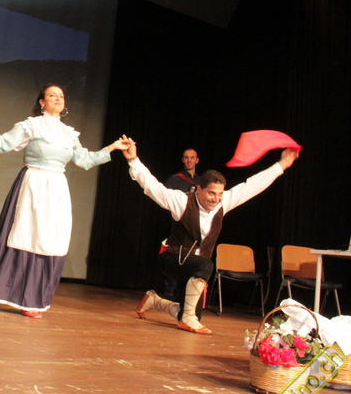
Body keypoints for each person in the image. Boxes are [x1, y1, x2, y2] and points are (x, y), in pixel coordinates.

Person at [0, 84, 130, 319]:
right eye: (52, 95)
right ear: (42, 102)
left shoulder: (69, 133)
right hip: (34, 183)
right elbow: (4, 144)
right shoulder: (31, 125)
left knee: (51, 240)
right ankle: (14, 294)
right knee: (27, 236)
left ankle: (34, 299)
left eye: (61, 96)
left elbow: (84, 160)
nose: (58, 98)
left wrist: (112, 147)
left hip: (57, 188)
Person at [123, 138, 299, 334]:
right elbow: (152, 187)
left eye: (219, 194)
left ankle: (157, 302)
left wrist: (282, 164)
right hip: (172, 259)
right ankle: (187, 318)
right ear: (199, 189)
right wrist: (133, 160)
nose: (216, 199)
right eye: (211, 193)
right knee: (205, 266)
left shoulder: (223, 203)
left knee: (193, 311)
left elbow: (252, 185)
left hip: (195, 269)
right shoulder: (182, 202)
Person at [160, 148, 201, 299]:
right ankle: (170, 291)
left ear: (197, 160)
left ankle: (186, 293)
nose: (189, 160)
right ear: (183, 160)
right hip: (179, 224)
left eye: (192, 157)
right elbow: (165, 198)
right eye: (186, 157)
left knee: (192, 258)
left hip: (195, 225)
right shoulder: (174, 179)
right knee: (175, 255)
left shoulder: (202, 182)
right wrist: (184, 197)